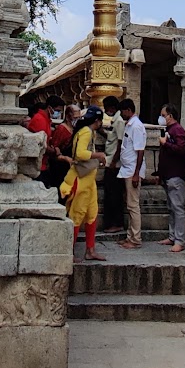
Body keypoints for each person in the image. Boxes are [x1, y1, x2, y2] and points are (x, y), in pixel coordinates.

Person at [60, 106, 107, 261]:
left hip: (88, 180)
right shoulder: (86, 132)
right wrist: (98, 155)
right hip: (81, 181)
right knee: (77, 215)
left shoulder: (87, 131)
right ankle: (69, 251)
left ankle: (90, 250)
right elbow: (80, 154)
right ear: (97, 121)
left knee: (92, 214)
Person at [156, 105, 185, 253]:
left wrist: (166, 143)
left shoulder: (178, 130)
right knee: (171, 208)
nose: (161, 118)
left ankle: (180, 240)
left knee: (178, 208)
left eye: (163, 115)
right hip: (168, 174)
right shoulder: (169, 130)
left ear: (170, 116)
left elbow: (182, 150)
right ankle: (172, 236)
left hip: (176, 174)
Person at [117, 97, 147, 249]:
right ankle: (130, 236)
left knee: (133, 205)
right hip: (127, 169)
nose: (121, 114)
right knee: (129, 205)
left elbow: (140, 151)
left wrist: (136, 174)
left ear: (128, 110)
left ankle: (135, 239)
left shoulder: (136, 126)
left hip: (132, 171)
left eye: (122, 112)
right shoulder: (130, 125)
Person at [99, 93, 127, 233]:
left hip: (114, 163)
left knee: (114, 195)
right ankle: (111, 222)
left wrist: (114, 162)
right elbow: (113, 137)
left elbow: (121, 143)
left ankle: (117, 223)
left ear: (111, 107)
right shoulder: (114, 121)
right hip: (110, 160)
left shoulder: (120, 121)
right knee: (110, 194)